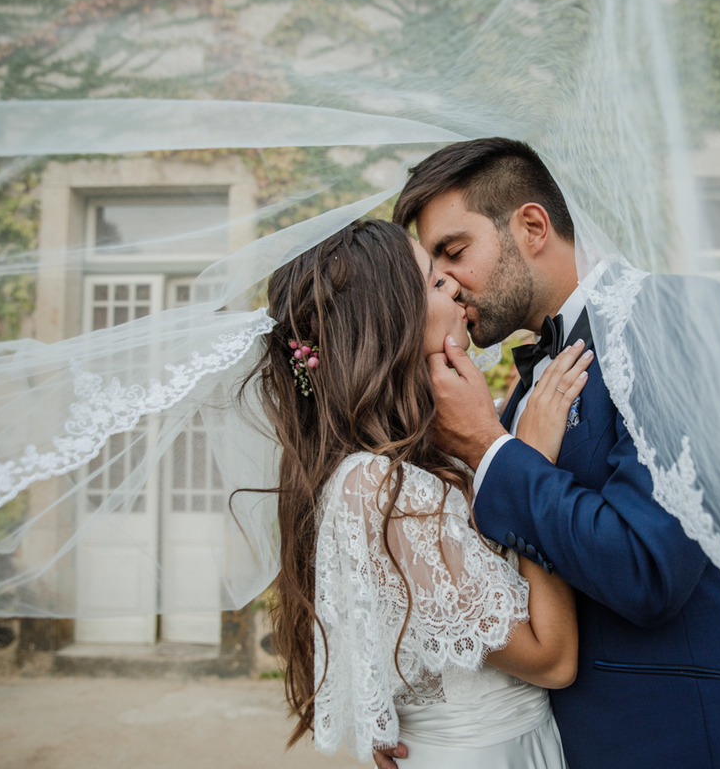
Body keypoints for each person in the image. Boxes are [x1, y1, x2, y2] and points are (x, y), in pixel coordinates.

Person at [374, 137, 720, 769]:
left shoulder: (679, 318)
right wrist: (426, 704)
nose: (445, 283)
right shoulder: (520, 394)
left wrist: (490, 449)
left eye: (454, 252)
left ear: (532, 226)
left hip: (705, 742)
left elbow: (649, 567)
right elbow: (505, 584)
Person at [243, 218, 594, 768]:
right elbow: (552, 660)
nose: (453, 285)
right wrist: (528, 466)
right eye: (433, 283)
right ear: (391, 324)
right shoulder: (378, 485)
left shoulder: (427, 456)